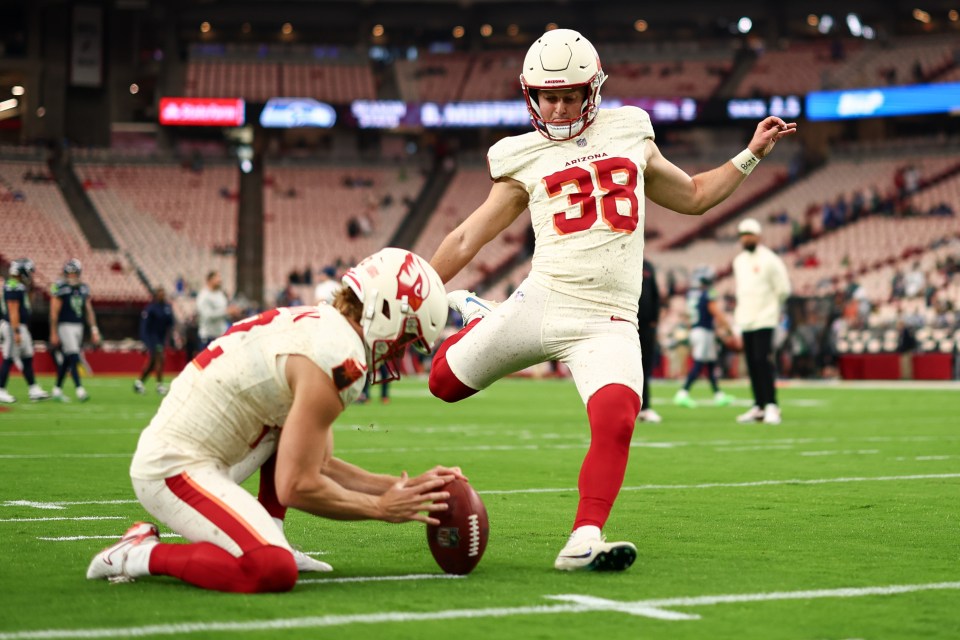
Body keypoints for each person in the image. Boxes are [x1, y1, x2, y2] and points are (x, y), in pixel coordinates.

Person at [426, 28, 797, 572]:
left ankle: (584, 537)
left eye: (569, 95)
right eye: (547, 96)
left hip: (609, 318)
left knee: (619, 418)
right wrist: (417, 292)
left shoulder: (629, 129)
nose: (557, 107)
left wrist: (750, 155)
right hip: (544, 299)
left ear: (593, 89)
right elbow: (465, 238)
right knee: (442, 386)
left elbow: (693, 197)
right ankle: (478, 317)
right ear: (530, 95)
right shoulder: (520, 154)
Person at [86, 248, 457, 592]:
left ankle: (271, 531)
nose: (400, 349)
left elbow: (320, 463)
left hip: (211, 447)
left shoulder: (325, 325)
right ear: (386, 311)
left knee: (286, 436)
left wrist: (402, 488)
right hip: (175, 466)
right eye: (407, 336)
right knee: (269, 567)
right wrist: (379, 508)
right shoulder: (338, 355)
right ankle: (136, 554)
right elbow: (297, 485)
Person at [732, 218, 792, 425]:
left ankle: (772, 405)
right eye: (743, 235)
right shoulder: (739, 261)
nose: (746, 238)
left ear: (758, 236)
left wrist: (771, 309)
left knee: (762, 361)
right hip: (746, 319)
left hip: (765, 319)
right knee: (752, 363)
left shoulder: (770, 259)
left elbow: (783, 289)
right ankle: (758, 405)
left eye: (750, 234)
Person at [672, 266, 735, 409]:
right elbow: (715, 311)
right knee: (699, 363)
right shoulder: (708, 294)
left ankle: (718, 395)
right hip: (703, 332)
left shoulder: (692, 294)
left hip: (698, 330)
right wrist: (727, 328)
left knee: (711, 364)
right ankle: (683, 393)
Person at [49, 259, 101, 402]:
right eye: (69, 273)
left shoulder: (84, 288)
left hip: (78, 325)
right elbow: (54, 311)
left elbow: (88, 310)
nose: (72, 276)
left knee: (67, 358)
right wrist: (53, 332)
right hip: (64, 325)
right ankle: (80, 389)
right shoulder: (60, 287)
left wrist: (94, 329)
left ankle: (57, 389)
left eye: (74, 273)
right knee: (73, 355)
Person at [0, 258, 50, 403]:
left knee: (27, 357)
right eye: (28, 272)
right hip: (13, 325)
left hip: (19, 325)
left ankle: (33, 389)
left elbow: (27, 303)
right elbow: (13, 310)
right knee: (9, 357)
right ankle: (1, 389)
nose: (30, 275)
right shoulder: (13, 286)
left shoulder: (19, 286)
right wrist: (16, 331)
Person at [134, 287, 175, 396]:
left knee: (153, 362)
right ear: (156, 295)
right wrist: (145, 341)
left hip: (161, 338)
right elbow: (144, 326)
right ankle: (159, 385)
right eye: (160, 293)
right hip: (152, 337)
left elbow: (171, 322)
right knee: (160, 358)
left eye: (163, 293)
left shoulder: (167, 307)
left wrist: (171, 337)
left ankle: (139, 382)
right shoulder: (151, 308)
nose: (162, 295)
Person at [636, 259, 662, 423]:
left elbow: (655, 294)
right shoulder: (620, 258)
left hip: (646, 326)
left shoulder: (648, 265)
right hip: (626, 323)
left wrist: (655, 319)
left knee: (644, 366)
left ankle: (645, 407)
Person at [196, 270, 231, 349]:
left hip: (220, 335)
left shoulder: (220, 294)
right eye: (217, 277)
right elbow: (207, 315)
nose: (220, 280)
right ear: (209, 280)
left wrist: (231, 312)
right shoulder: (203, 296)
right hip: (207, 336)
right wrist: (226, 312)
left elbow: (223, 312)